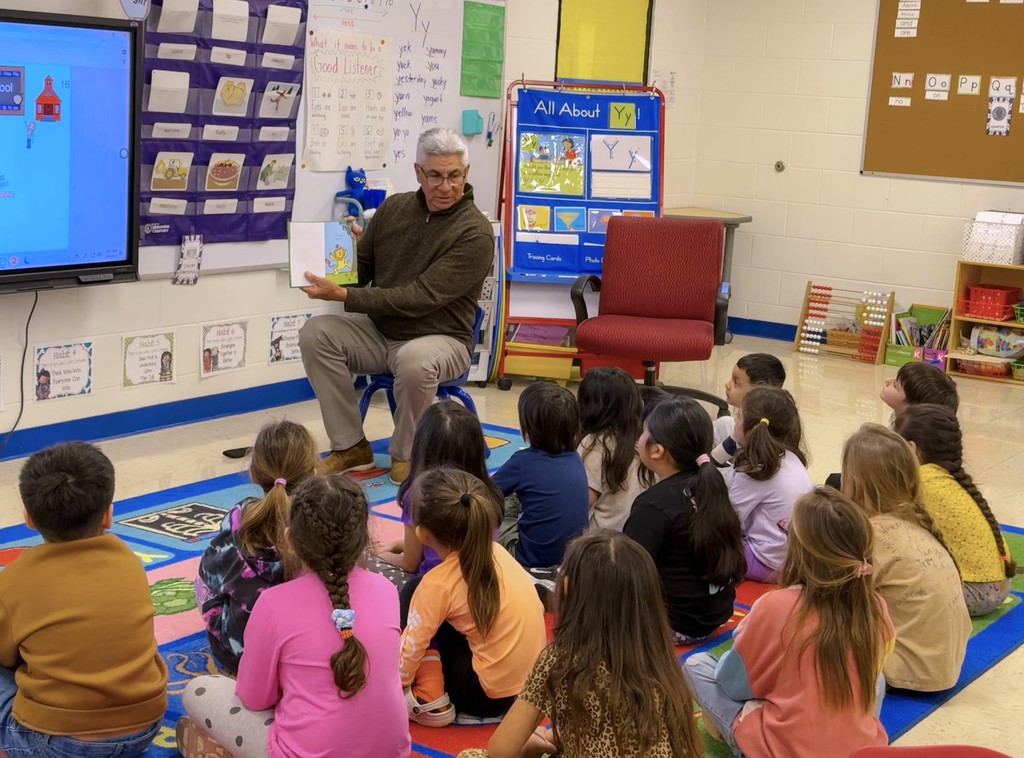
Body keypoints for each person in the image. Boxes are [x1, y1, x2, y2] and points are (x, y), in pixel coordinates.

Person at [298, 127, 495, 485]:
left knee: (413, 360)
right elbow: (362, 271)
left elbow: (420, 297)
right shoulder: (393, 208)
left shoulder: (475, 233)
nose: (445, 185)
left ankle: (407, 453)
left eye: (454, 175)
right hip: (381, 332)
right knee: (315, 333)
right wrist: (336, 259)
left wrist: (345, 296)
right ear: (418, 172)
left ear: (465, 174)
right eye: (434, 175)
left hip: (443, 338)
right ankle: (350, 446)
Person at [180, 475, 411, 758]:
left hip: (301, 752)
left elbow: (255, 698)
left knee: (200, 689)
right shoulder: (387, 591)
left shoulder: (274, 604)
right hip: (391, 751)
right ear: (364, 537)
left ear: (289, 539)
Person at [684, 488, 893, 758]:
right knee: (877, 679)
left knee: (696, 665)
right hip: (858, 747)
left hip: (780, 747)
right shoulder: (875, 606)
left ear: (798, 551)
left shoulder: (776, 606)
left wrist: (746, 640)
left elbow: (732, 683)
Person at [456, 531, 703, 758]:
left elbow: (500, 750)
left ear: (568, 589)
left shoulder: (561, 659)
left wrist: (531, 746)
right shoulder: (659, 660)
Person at [0, 442, 167, 756]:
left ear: (28, 518)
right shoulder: (128, 559)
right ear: (108, 515)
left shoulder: (14, 580)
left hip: (58, 744)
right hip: (147, 726)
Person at [400, 468, 546, 725]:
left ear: (422, 533)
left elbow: (409, 651)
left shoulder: (437, 583)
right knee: (447, 609)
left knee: (413, 592)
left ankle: (428, 696)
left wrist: (388, 686)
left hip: (483, 696)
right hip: (531, 687)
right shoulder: (497, 551)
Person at [842, 424, 971, 692]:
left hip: (909, 672)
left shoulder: (870, 535)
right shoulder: (916, 521)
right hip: (945, 663)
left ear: (854, 482)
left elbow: (834, 602)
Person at [195, 419, 318, 674]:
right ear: (314, 473)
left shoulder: (239, 517)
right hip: (309, 653)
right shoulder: (325, 518)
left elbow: (209, 574)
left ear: (253, 473)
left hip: (242, 655)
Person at [623, 396, 746, 644]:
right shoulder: (709, 484)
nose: (640, 437)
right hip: (715, 614)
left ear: (657, 450)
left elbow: (625, 571)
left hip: (675, 625)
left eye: (645, 431)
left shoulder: (653, 504)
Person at [895, 404, 1016, 616]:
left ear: (912, 449)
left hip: (975, 593)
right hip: (1002, 584)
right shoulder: (952, 476)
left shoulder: (920, 480)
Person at [371, 402, 502, 594]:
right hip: (483, 589)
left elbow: (410, 563)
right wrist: (397, 544)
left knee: (367, 567)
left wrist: (379, 556)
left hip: (436, 592)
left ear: (421, 449)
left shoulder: (419, 495)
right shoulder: (483, 493)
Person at [492, 382, 589, 568]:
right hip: (572, 559)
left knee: (495, 500)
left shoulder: (523, 462)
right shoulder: (575, 457)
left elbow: (483, 491)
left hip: (528, 559)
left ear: (527, 429)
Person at [729, 387, 813, 582]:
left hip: (768, 563)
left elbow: (726, 521)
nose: (734, 420)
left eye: (738, 416)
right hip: (797, 561)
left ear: (749, 430)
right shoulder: (790, 457)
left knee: (698, 539)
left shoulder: (756, 470)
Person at [576, 366, 648, 531]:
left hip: (597, 542)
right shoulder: (642, 439)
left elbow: (584, 501)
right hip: (632, 537)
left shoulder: (595, 443)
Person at [710, 353, 787, 479]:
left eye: (736, 382)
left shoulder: (763, 435)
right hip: (737, 461)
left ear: (757, 393)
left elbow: (736, 481)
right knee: (723, 424)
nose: (727, 384)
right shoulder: (738, 425)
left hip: (745, 481)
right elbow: (715, 457)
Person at [880, 360, 959, 416]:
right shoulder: (899, 418)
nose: (887, 380)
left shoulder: (907, 436)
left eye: (895, 385)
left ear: (910, 407)